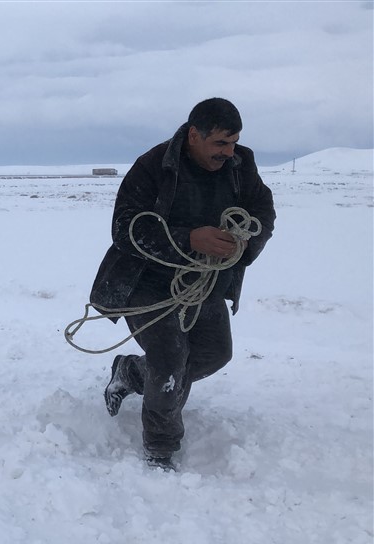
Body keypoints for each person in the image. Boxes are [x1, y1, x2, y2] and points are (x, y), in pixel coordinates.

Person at [89, 98, 275, 471]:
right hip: (147, 282)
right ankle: (160, 448)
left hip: (202, 282)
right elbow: (125, 229)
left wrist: (242, 245)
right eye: (220, 144)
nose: (229, 152)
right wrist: (190, 238)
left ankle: (130, 372)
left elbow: (262, 211)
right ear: (194, 135)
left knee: (213, 354)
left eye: (234, 142)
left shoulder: (241, 164)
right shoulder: (153, 166)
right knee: (170, 360)